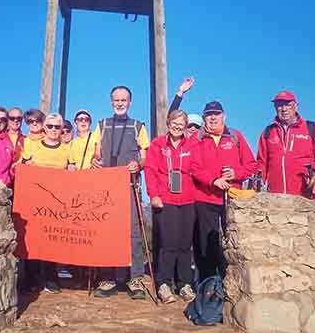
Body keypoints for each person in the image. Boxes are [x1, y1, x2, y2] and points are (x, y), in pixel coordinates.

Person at [90, 86, 151, 300]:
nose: (120, 103)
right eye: (116, 100)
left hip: (129, 186)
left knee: (133, 233)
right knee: (106, 231)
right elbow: (95, 154)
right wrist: (95, 161)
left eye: (123, 100)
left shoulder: (138, 126)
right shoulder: (102, 125)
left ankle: (135, 279)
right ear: (111, 102)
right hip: (106, 188)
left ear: (130, 103)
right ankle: (107, 278)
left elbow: (145, 157)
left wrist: (138, 164)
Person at [191, 101, 259, 280]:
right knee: (206, 244)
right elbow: (193, 167)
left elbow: (251, 165)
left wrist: (236, 173)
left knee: (233, 240)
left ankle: (231, 279)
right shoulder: (196, 139)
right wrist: (213, 181)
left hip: (232, 198)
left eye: (217, 114)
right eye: (209, 115)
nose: (213, 118)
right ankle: (207, 283)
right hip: (205, 198)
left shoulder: (235, 136)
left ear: (224, 116)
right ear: (204, 118)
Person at [144, 110, 198, 303]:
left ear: (186, 126)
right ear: (168, 124)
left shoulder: (193, 144)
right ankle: (164, 283)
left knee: (185, 243)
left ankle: (184, 284)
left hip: (188, 199)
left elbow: (200, 168)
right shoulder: (158, 144)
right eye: (174, 123)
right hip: (165, 199)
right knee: (168, 243)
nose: (177, 127)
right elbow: (150, 170)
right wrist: (154, 194)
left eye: (181, 124)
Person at [20, 112, 71, 293]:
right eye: (50, 126)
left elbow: (73, 170)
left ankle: (51, 278)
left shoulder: (67, 149)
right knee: (33, 238)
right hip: (35, 201)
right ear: (44, 127)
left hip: (56, 203)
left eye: (57, 126)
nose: (53, 130)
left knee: (53, 239)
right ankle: (31, 278)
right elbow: (21, 167)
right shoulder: (32, 147)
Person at [255, 91, 315, 198]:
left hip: (307, 198)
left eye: (288, 104)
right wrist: (257, 184)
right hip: (276, 199)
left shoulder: (312, 129)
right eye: (279, 105)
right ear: (275, 108)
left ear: (296, 106)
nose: (284, 109)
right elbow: (261, 163)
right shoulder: (268, 132)